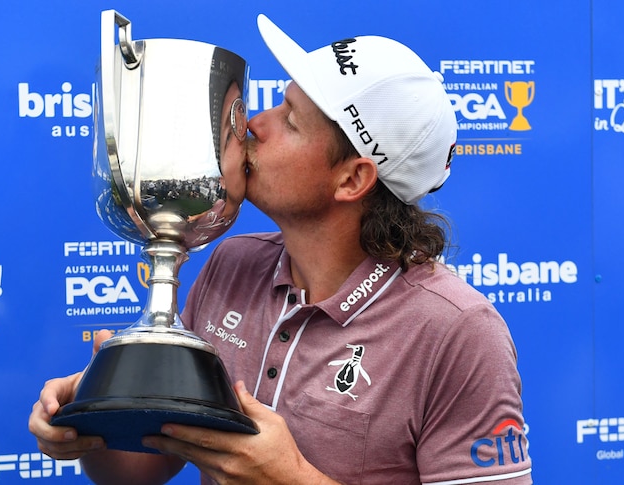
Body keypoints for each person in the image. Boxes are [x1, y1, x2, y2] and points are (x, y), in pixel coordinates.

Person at [30, 13, 532, 485]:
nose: (253, 124)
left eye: (290, 119)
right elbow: (140, 469)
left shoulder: (458, 332)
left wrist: (291, 477)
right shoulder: (232, 263)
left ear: (352, 178)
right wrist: (90, 423)